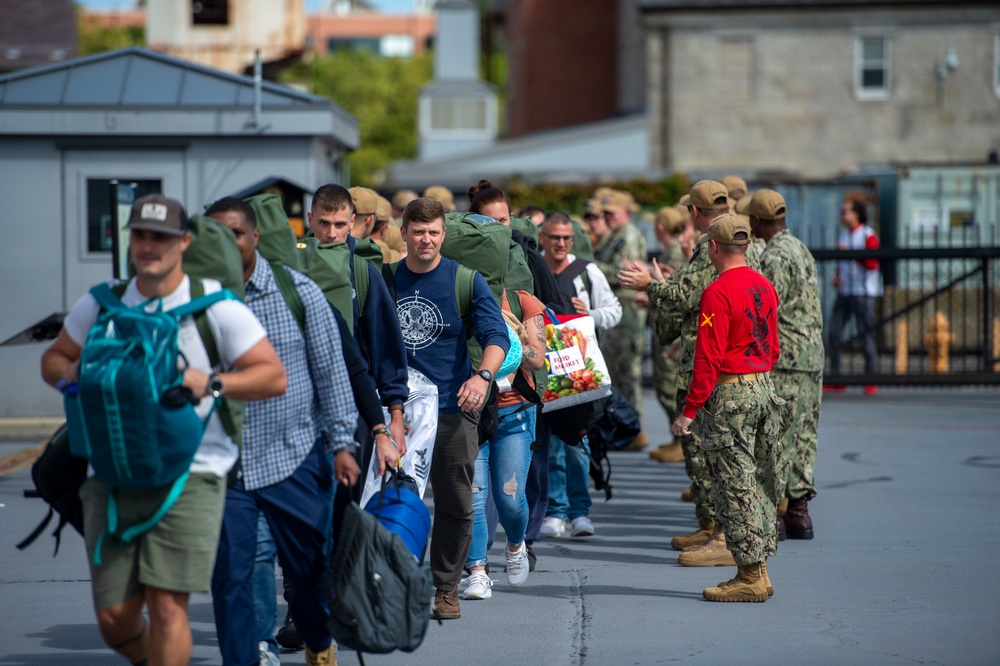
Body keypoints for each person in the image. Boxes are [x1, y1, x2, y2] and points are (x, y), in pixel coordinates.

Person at [40, 194, 287, 666]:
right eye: (141, 235)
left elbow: (272, 376)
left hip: (191, 474)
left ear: (184, 242)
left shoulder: (214, 305)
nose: (149, 245)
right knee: (115, 620)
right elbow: (54, 359)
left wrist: (210, 381)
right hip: (112, 474)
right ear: (129, 241)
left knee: (167, 606)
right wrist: (75, 374)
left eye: (162, 236)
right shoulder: (101, 304)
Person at [205, 197, 362, 666]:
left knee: (306, 572)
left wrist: (341, 445)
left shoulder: (297, 293)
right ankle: (252, 653)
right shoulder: (197, 301)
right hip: (227, 463)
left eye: (235, 233)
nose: (227, 244)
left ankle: (318, 639)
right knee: (235, 572)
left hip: (293, 457)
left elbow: (332, 373)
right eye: (215, 235)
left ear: (255, 237)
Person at [618, 180, 762, 565]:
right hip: (751, 372)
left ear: (697, 215)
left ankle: (728, 541)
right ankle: (726, 538)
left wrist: (651, 285)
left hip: (723, 375)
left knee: (721, 461)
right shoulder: (754, 266)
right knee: (737, 464)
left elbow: (692, 301)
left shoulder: (713, 265)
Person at [394, 197, 510, 620]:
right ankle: (391, 583)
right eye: (418, 231)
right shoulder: (384, 280)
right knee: (389, 501)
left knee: (456, 503)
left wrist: (482, 377)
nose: (426, 239)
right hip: (395, 412)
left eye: (434, 232)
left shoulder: (466, 280)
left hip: (450, 408)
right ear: (403, 232)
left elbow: (497, 336)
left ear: (444, 235)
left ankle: (445, 587)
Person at [671, 212, 782, 603]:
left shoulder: (717, 291)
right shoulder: (764, 285)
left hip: (732, 395)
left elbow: (708, 357)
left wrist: (688, 410)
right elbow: (774, 345)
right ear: (747, 246)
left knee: (734, 487)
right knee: (757, 485)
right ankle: (760, 571)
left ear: (714, 248)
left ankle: (749, 575)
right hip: (764, 388)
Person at [537, 212, 622, 539]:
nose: (560, 243)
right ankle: (555, 511)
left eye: (566, 238)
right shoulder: (533, 268)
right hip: (546, 374)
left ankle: (580, 512)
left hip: (582, 377)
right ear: (542, 237)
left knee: (577, 444)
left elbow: (615, 311)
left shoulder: (587, 272)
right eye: (554, 237)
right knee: (553, 447)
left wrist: (590, 315)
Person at [748, 190, 824, 540]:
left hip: (787, 358)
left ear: (759, 221)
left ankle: (777, 512)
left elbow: (765, 310)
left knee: (778, 436)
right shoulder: (800, 247)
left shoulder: (775, 256)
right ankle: (799, 512)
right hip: (811, 355)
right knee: (804, 434)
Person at [463, 286, 547, 600]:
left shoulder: (522, 299)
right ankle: (477, 572)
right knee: (472, 496)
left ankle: (515, 546)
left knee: (509, 498)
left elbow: (537, 359)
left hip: (515, 413)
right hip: (470, 411)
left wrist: (505, 338)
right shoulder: (457, 290)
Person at [592, 189, 648, 450]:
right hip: (617, 310)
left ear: (625, 212)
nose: (607, 217)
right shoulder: (616, 237)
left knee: (627, 371)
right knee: (616, 368)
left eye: (611, 213)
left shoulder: (628, 237)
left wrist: (591, 267)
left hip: (626, 309)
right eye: (604, 213)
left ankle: (634, 429)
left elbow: (624, 271)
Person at [468, 180, 573, 313]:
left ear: (511, 218)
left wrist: (538, 307)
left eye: (503, 220)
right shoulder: (462, 258)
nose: (498, 227)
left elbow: (557, 310)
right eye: (490, 221)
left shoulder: (528, 256)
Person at [647, 206, 692, 464]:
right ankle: (677, 438)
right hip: (669, 327)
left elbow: (678, 293)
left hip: (674, 331)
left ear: (660, 227)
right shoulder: (674, 251)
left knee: (669, 386)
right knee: (667, 387)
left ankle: (681, 440)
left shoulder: (676, 253)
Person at [828, 198, 882, 395]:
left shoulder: (868, 235)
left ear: (856, 213)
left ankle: (870, 378)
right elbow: (842, 264)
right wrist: (837, 276)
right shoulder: (844, 235)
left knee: (865, 334)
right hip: (845, 291)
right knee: (834, 333)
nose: (842, 214)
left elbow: (872, 264)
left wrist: (851, 253)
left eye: (845, 211)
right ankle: (837, 378)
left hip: (863, 291)